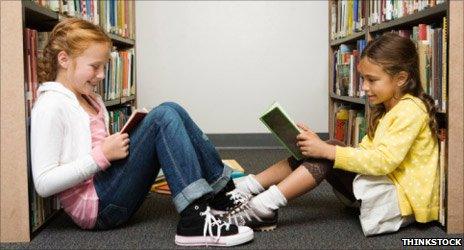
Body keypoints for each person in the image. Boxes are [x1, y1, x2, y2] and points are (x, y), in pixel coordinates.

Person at [30, 18, 253, 247]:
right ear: (64, 59)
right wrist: (101, 155)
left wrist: (118, 142)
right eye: (94, 66)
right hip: (96, 208)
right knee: (162, 117)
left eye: (104, 67)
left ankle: (223, 195)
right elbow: (44, 183)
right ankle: (193, 220)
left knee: (171, 108)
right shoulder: (50, 106)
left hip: (107, 187)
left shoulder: (91, 99)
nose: (102, 75)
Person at [223, 32, 440, 236]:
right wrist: (322, 146)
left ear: (401, 78)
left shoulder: (411, 110)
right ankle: (245, 189)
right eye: (363, 79)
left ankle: (262, 207)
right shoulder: (389, 108)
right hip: (381, 186)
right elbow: (368, 153)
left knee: (327, 154)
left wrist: (328, 151)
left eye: (372, 80)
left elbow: (383, 162)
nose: (364, 87)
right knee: (326, 148)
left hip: (398, 200)